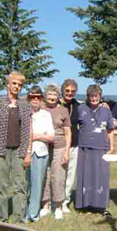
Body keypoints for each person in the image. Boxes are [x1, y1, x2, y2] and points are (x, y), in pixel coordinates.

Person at [0, 71, 32, 223]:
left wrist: (28, 152)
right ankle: (2, 219)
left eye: (20, 85)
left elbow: (28, 130)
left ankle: (19, 220)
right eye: (14, 83)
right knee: (1, 186)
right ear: (8, 84)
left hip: (19, 150)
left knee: (20, 186)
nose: (17, 87)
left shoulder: (24, 105)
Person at [76, 84, 115, 215]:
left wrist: (112, 146)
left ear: (100, 96)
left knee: (102, 177)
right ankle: (86, 204)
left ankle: (102, 206)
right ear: (88, 97)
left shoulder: (106, 111)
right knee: (86, 176)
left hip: (102, 147)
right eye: (91, 96)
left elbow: (110, 130)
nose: (94, 98)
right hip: (85, 147)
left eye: (96, 96)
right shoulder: (81, 108)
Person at [40, 83, 71, 220]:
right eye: (49, 94)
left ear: (58, 96)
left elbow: (68, 132)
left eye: (54, 94)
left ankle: (58, 206)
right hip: (43, 146)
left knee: (58, 176)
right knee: (44, 175)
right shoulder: (40, 108)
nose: (52, 97)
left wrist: (67, 151)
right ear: (45, 96)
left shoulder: (63, 110)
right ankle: (45, 205)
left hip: (59, 145)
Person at [26, 86, 55, 222]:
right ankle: (22, 211)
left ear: (41, 99)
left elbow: (51, 137)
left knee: (37, 184)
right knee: (24, 184)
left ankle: (33, 214)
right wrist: (40, 135)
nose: (35, 99)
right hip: (24, 153)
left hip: (40, 153)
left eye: (38, 97)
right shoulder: (23, 113)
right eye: (32, 97)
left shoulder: (46, 115)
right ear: (28, 98)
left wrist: (34, 136)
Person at [59, 79, 80, 214]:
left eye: (72, 91)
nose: (69, 93)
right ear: (63, 90)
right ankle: (54, 200)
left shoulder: (78, 106)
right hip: (58, 145)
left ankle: (65, 201)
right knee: (59, 174)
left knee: (71, 176)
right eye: (67, 91)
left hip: (74, 145)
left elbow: (93, 105)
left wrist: (104, 105)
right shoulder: (55, 104)